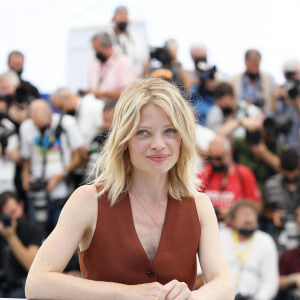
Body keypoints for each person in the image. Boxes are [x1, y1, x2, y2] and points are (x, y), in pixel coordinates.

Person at [25, 78, 234, 299]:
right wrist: (126, 294)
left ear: (183, 137)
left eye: (170, 131)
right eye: (143, 132)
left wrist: (193, 297)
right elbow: (37, 283)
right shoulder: (88, 200)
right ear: (124, 138)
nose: (159, 144)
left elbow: (224, 285)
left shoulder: (199, 205)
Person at [20, 99, 83, 233]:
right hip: (37, 190)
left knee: (63, 234)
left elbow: (78, 156)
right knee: (38, 234)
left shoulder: (67, 123)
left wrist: (61, 175)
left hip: (61, 191)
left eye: (44, 125)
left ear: (50, 114)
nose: (41, 129)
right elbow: (26, 159)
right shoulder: (26, 127)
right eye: (37, 125)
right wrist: (25, 177)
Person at [220, 201, 279, 300]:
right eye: (243, 214)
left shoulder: (265, 240)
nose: (248, 219)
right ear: (232, 220)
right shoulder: (220, 237)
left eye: (252, 214)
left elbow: (270, 281)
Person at [198, 135, 262, 222]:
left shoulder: (244, 174)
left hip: (234, 226)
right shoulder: (203, 174)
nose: (215, 162)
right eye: (210, 158)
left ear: (230, 152)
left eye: (219, 158)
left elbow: (258, 206)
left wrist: (233, 211)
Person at [0, 191, 43, 298]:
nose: (11, 219)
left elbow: (30, 264)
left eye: (13, 213)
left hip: (24, 285)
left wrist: (11, 237)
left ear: (21, 206)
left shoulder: (32, 229)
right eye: (6, 216)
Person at [265, 148, 300, 252]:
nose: (290, 176)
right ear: (280, 168)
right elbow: (264, 212)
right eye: (286, 173)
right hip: (279, 236)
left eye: (293, 172)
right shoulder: (271, 185)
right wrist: (273, 215)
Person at [88, 31, 137, 102]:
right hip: (96, 107)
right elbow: (92, 89)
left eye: (98, 50)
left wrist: (101, 93)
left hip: (116, 108)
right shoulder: (95, 65)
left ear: (108, 47)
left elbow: (128, 93)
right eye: (94, 50)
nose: (96, 54)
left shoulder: (125, 62)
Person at [109, 5, 150, 77]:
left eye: (126, 15)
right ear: (113, 18)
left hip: (137, 81)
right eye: (120, 15)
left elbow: (146, 59)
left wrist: (142, 80)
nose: (123, 19)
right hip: (116, 83)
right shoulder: (107, 39)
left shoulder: (138, 38)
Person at [190, 42, 223, 125]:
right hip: (196, 118)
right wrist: (194, 84)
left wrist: (217, 85)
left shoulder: (215, 74)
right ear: (192, 58)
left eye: (203, 57)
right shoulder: (188, 77)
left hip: (215, 117)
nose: (201, 60)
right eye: (198, 58)